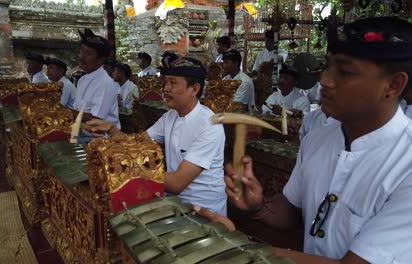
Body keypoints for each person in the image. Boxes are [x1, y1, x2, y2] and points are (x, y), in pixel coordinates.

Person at [196, 16, 412, 263]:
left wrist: (238, 247)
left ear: (393, 85)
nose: (325, 81)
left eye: (346, 72)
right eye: (327, 67)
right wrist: (259, 208)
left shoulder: (406, 164)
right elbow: (291, 209)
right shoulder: (318, 139)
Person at [87, 57, 227, 216]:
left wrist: (127, 169)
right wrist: (111, 129)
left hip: (204, 211)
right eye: (166, 82)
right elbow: (138, 144)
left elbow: (177, 183)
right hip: (174, 203)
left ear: (194, 89)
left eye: (173, 83)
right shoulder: (170, 117)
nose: (166, 89)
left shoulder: (209, 125)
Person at [74, 28, 120, 132]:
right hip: (80, 134)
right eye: (81, 51)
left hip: (102, 140)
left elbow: (96, 120)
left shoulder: (105, 83)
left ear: (101, 60)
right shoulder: (81, 80)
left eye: (88, 53)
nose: (81, 57)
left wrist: (64, 112)